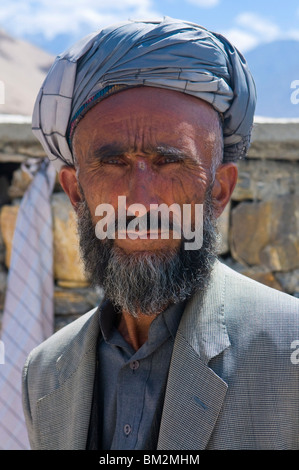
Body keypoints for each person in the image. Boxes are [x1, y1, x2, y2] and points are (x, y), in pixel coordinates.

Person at [22, 17, 299, 450]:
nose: (141, 201)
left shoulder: (290, 357)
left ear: (220, 191)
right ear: (77, 192)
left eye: (170, 162)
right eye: (113, 163)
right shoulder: (45, 371)